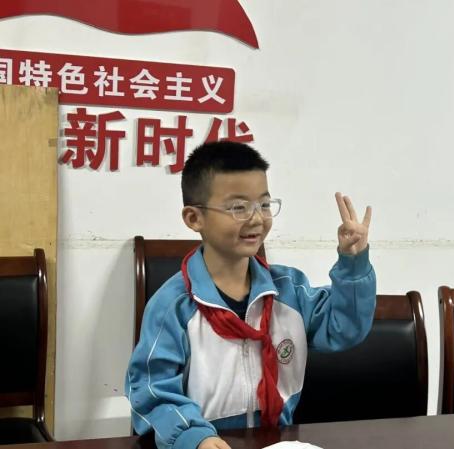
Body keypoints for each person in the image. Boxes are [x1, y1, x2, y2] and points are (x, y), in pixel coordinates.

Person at [125, 141, 376, 449]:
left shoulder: (289, 290)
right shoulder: (173, 306)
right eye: (238, 208)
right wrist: (193, 436)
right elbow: (151, 391)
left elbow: (344, 328)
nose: (257, 219)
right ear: (194, 218)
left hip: (275, 441)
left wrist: (353, 263)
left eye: (264, 205)